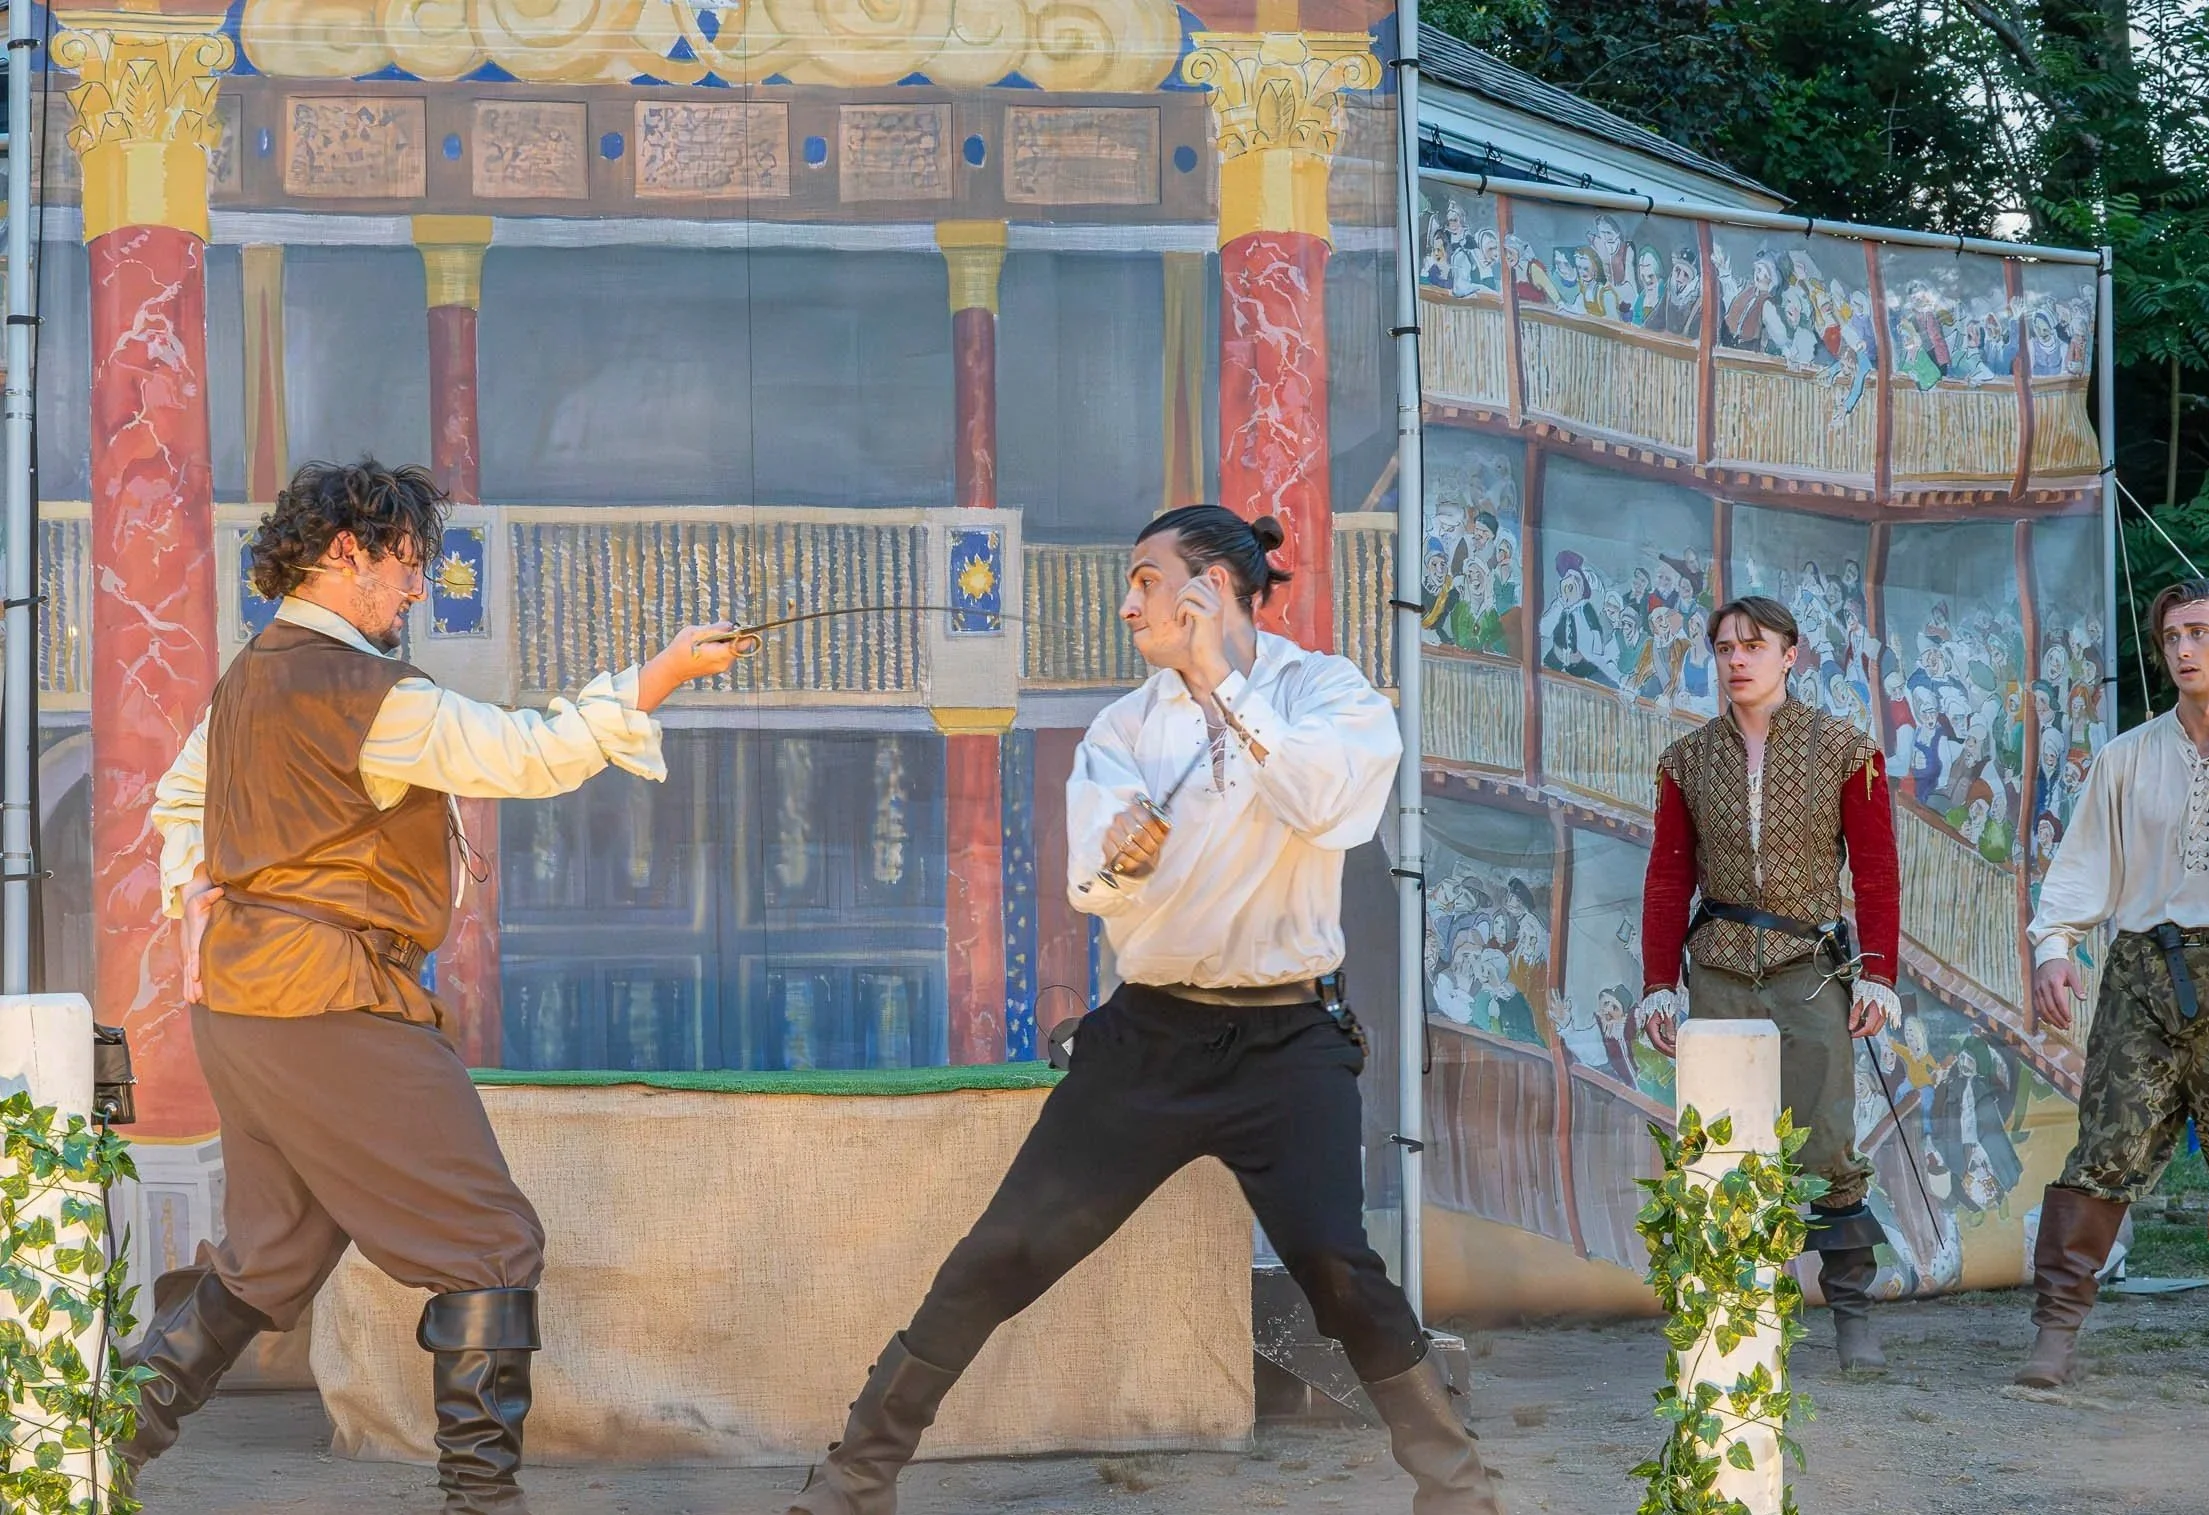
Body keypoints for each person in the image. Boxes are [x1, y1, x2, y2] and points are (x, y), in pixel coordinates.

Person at [785, 505, 1502, 1515]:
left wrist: (1221, 683)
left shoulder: (1327, 694)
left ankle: (1458, 1489)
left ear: (1210, 589)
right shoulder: (1124, 728)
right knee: (1001, 1252)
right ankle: (855, 1479)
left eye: (1148, 580)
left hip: (1287, 1041)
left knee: (1337, 1269)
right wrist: (1122, 863)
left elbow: (1332, 809)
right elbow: (1091, 887)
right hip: (1148, 1040)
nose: (1129, 603)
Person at [135, 460, 737, 1512]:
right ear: (345, 553)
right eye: (407, 563)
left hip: (245, 1007)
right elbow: (532, 753)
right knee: (490, 1244)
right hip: (332, 1005)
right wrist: (660, 676)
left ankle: (92, 1449)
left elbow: (180, 797)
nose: (418, 587)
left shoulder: (250, 676)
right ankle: (480, 1502)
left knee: (266, 1262)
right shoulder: (373, 695)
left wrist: (199, 908)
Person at [1637, 596, 1904, 1371]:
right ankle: (1737, 1321)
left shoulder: (1845, 751)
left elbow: (1877, 873)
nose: (1736, 659)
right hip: (1718, 967)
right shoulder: (1686, 760)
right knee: (1723, 1149)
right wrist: (1659, 982)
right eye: (1723, 647)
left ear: (1791, 653)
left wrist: (1877, 975)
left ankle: (1851, 1314)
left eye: (1753, 645)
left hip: (1809, 969)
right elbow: (1666, 878)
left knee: (1825, 1143)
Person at [2020, 579, 2209, 1388]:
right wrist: (2054, 946)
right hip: (2142, 972)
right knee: (2105, 1147)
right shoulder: (2126, 755)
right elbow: (2083, 862)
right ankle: (2053, 1338)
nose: (2182, 650)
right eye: (2170, 636)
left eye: (2200, 632)